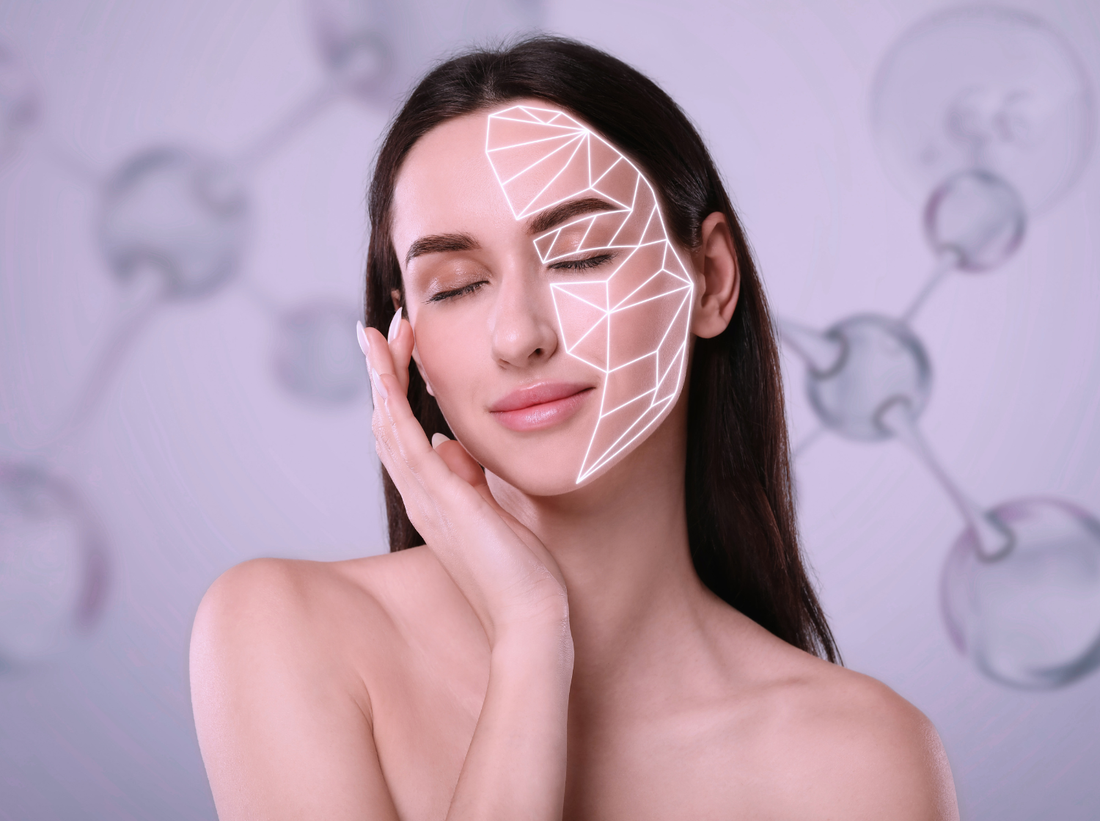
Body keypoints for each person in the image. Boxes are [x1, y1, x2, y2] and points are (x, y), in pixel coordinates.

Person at [190, 36, 959, 821]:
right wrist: (527, 634)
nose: (519, 335)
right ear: (406, 338)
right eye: (456, 287)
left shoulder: (860, 760)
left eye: (582, 254)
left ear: (711, 279)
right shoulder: (290, 632)